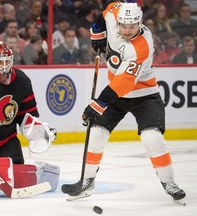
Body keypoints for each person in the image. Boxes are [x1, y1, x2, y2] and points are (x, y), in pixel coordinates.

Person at [61, 2, 186, 204]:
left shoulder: (143, 46)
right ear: (118, 21)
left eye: (132, 26)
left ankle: (169, 182)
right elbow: (104, 16)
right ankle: (87, 181)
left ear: (140, 23)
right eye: (123, 26)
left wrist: (99, 103)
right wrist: (98, 33)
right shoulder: (114, 13)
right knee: (96, 133)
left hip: (144, 95)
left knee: (151, 138)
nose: (127, 31)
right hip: (116, 94)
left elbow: (124, 82)